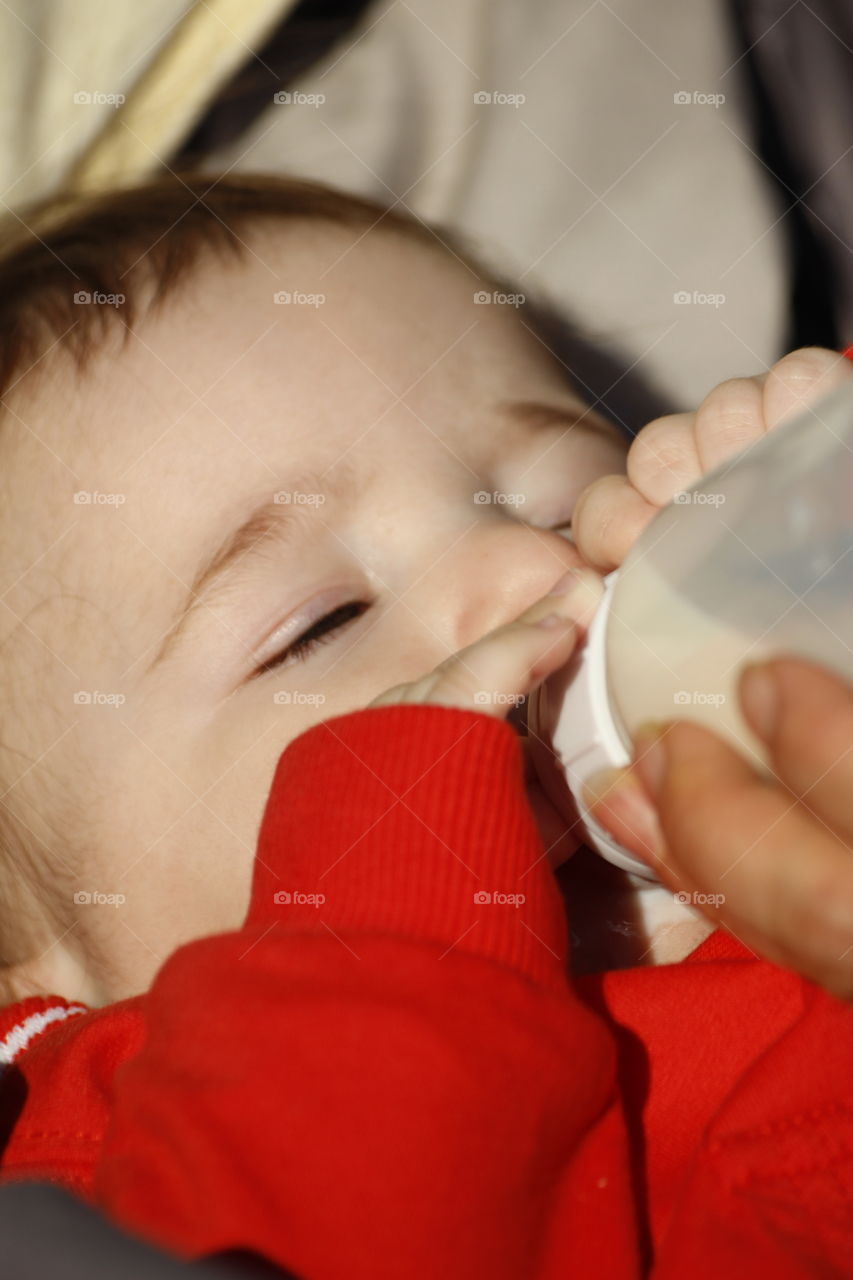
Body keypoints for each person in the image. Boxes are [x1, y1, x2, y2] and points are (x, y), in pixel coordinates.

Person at [0, 172, 851, 1278]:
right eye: (320, 623)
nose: (528, 564)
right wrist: (401, 863)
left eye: (557, 501)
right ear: (44, 976)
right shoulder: (115, 1159)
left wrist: (799, 511)